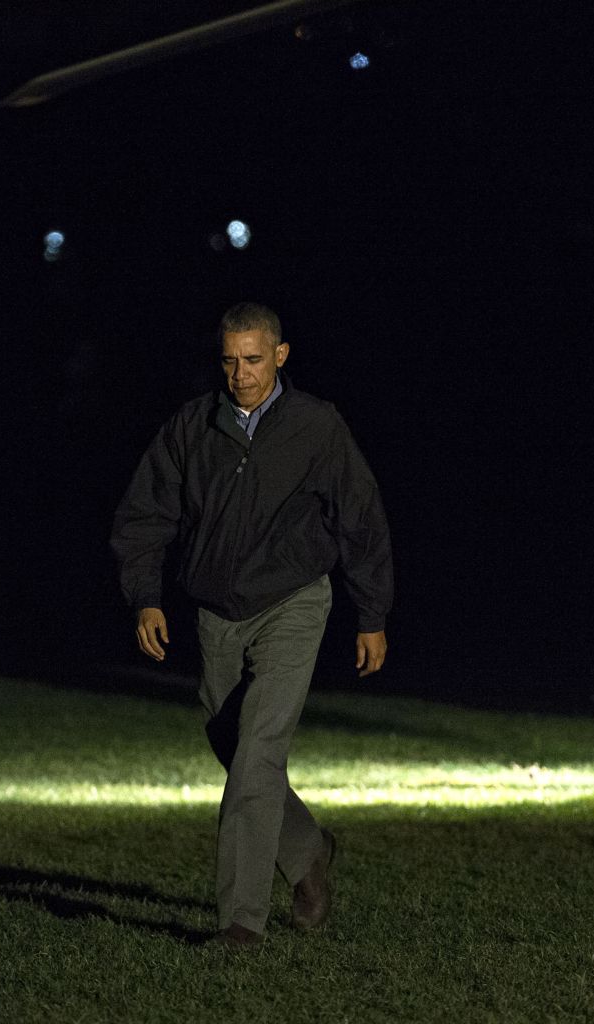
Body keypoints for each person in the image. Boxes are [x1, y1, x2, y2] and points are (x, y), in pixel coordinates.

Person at [110, 302, 393, 948]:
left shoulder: (317, 428)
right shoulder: (194, 425)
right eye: (230, 361)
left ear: (281, 356)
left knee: (258, 749)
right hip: (217, 612)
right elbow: (145, 512)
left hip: (294, 603)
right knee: (231, 743)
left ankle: (242, 919)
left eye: (254, 360)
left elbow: (362, 519)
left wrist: (371, 613)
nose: (241, 375)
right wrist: (144, 596)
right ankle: (308, 849)